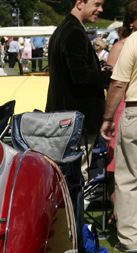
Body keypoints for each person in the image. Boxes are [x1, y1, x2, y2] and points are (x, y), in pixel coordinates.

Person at [48, 0, 113, 177]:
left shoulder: (65, 29)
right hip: (76, 124)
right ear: (79, 3)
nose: (101, 9)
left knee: (67, 178)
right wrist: (111, 77)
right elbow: (80, 77)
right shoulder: (73, 32)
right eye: (96, 4)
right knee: (77, 178)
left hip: (67, 121)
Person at [101, 1, 137, 252]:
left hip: (134, 111)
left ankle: (130, 239)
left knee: (128, 178)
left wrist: (107, 118)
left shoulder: (132, 42)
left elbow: (117, 84)